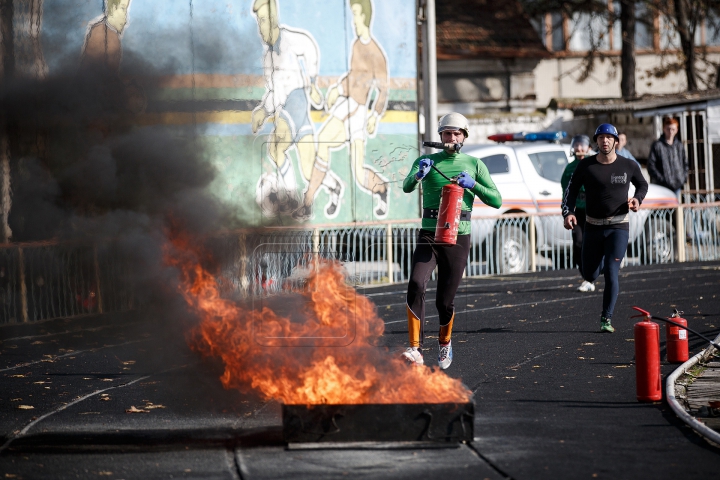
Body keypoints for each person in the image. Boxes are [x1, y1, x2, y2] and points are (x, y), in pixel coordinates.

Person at [401, 113, 502, 368]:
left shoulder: (475, 164)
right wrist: (417, 176)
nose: (452, 137)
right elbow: (406, 187)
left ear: (464, 137)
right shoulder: (425, 160)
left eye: (457, 133)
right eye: (447, 133)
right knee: (415, 283)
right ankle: (415, 349)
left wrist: (474, 185)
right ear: (440, 136)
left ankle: (444, 343)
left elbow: (497, 200)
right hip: (428, 233)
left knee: (444, 301)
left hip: (458, 234)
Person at [294, 0, 390, 220]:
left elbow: (382, 90)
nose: (354, 21)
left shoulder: (377, 54)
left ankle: (382, 188)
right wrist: (338, 88)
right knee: (323, 141)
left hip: (358, 113)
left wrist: (375, 115)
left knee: (358, 173)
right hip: (344, 106)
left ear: (365, 18)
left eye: (356, 15)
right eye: (353, 15)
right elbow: (354, 76)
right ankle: (309, 200)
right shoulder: (356, 45)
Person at [562, 123, 648, 333]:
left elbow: (643, 185)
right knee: (590, 275)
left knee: (612, 272)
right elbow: (570, 191)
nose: (605, 141)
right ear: (597, 142)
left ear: (616, 141)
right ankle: (597, 264)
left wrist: (637, 199)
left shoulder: (628, 165)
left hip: (618, 226)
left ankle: (606, 318)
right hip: (592, 226)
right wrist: (569, 212)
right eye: (601, 137)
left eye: (609, 137)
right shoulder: (586, 166)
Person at [251, 0, 327, 217]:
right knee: (308, 165)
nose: (260, 26)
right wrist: (263, 112)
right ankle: (334, 187)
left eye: (264, 20)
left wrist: (312, 81)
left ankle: (292, 196)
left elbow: (310, 48)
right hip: (287, 105)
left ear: (274, 19)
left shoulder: (290, 38)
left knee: (275, 148)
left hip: (297, 99)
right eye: (258, 21)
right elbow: (272, 92)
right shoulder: (268, 56)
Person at [561, 135, 594, 292]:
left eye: (583, 145)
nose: (579, 149)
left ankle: (597, 271)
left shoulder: (596, 163)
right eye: (577, 145)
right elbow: (566, 193)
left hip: (595, 212)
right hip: (578, 212)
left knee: (596, 243)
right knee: (578, 242)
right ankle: (587, 277)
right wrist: (568, 212)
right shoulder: (569, 169)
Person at [647, 117, 688, 198]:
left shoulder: (679, 146)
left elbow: (685, 164)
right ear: (664, 129)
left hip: (677, 184)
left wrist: (682, 179)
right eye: (668, 129)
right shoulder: (657, 145)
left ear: (676, 130)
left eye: (673, 129)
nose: (670, 131)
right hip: (662, 186)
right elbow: (651, 165)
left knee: (676, 208)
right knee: (663, 209)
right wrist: (662, 179)